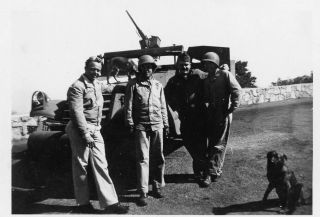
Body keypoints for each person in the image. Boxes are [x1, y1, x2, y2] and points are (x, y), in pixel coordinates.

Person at [65, 56, 129, 214]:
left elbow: (113, 88)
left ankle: (110, 203)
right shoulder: (77, 87)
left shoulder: (97, 84)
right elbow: (76, 112)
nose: (96, 72)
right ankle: (83, 204)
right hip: (81, 129)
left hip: (95, 129)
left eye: (99, 70)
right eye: (93, 69)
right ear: (86, 68)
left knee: (101, 164)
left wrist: (131, 82)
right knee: (81, 166)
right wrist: (85, 133)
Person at [124, 55, 169, 206]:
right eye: (145, 66)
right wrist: (130, 123)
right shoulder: (133, 85)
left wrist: (166, 124)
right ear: (141, 68)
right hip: (141, 126)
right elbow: (128, 107)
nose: (148, 69)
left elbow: (163, 106)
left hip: (157, 125)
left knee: (158, 157)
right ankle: (143, 192)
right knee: (143, 159)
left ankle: (157, 187)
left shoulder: (158, 86)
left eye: (150, 67)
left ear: (153, 69)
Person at [164, 52, 207, 185]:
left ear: (190, 65)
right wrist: (174, 109)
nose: (184, 68)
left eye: (186, 65)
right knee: (190, 145)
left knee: (201, 147)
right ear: (178, 65)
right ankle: (202, 171)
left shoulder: (199, 76)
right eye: (182, 65)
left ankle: (202, 174)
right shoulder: (173, 81)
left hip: (199, 117)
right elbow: (165, 98)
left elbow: (212, 80)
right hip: (185, 119)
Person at [201, 52, 242, 187]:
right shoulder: (207, 79)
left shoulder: (225, 75)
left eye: (209, 63)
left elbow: (237, 91)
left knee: (218, 144)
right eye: (205, 63)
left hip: (223, 113)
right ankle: (216, 170)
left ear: (215, 64)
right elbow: (206, 97)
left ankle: (210, 173)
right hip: (211, 114)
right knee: (212, 142)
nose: (206, 66)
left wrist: (232, 108)